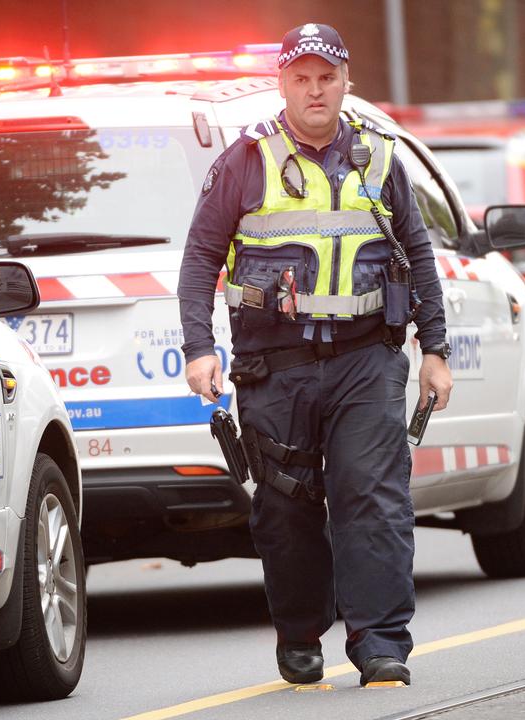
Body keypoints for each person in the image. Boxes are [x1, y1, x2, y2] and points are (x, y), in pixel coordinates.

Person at [176, 22, 453, 687]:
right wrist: (198, 347)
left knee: (373, 497)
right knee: (286, 506)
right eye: (302, 79)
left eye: (327, 78)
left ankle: (381, 642)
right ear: (283, 84)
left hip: (368, 358)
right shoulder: (245, 160)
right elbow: (200, 260)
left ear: (345, 81)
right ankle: (300, 633)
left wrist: (435, 350)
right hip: (275, 366)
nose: (315, 91)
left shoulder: (383, 157)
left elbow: (418, 255)